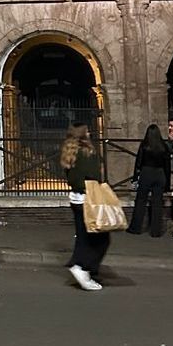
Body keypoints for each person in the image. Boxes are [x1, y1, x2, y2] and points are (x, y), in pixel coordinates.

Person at [59, 122, 109, 291]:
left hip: (75, 199)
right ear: (83, 133)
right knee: (101, 239)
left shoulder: (69, 150)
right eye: (87, 130)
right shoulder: (87, 151)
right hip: (89, 199)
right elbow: (94, 176)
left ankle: (83, 267)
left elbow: (70, 176)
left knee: (82, 237)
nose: (89, 132)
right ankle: (83, 267)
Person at [127, 123, 171, 237]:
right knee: (157, 203)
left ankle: (135, 228)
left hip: (147, 173)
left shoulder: (144, 145)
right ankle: (156, 231)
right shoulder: (164, 146)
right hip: (160, 174)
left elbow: (138, 163)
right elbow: (167, 165)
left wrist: (135, 178)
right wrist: (167, 183)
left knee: (141, 200)